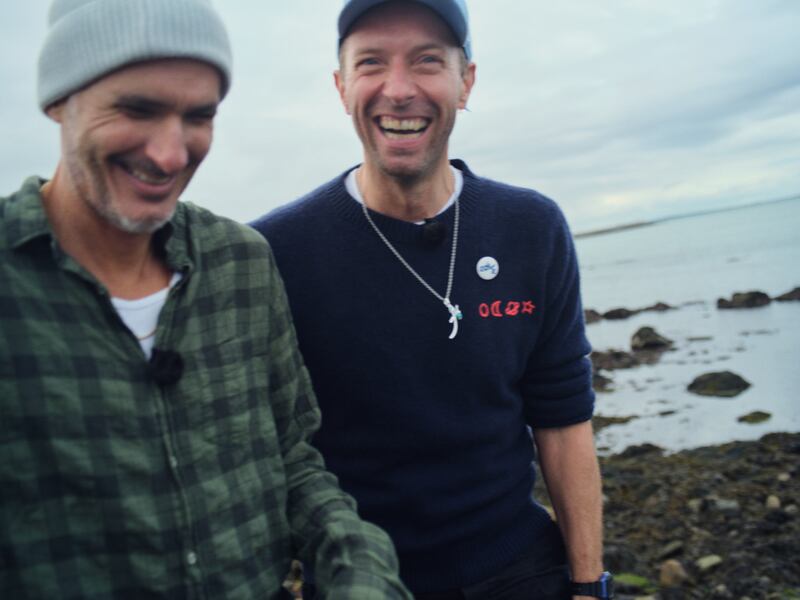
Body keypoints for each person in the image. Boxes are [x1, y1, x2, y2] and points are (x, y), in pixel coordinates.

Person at [0, 1, 413, 598]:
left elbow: (295, 463)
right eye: (137, 108)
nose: (170, 155)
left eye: (198, 116)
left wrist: (363, 579)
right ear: (58, 100)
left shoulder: (242, 261)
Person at [252, 1, 612, 599]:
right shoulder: (276, 251)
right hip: (360, 580)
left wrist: (587, 584)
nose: (398, 89)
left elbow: (563, 420)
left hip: (519, 567)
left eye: (427, 62)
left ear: (465, 81)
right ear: (341, 88)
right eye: (371, 63)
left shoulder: (531, 227)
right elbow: (258, 452)